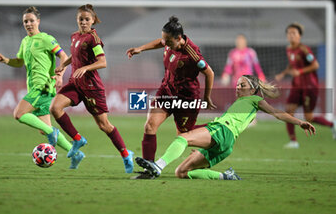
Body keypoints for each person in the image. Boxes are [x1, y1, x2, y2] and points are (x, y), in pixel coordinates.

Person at [135, 75, 316, 180]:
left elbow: (277, 113)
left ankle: (157, 166)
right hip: (226, 145)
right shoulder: (242, 103)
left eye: (242, 85)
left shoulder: (254, 100)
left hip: (222, 132)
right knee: (181, 172)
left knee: (183, 138)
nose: (238, 87)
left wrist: (299, 121)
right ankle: (226, 176)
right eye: (237, 84)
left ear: (253, 90)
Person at [126, 16, 216, 178]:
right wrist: (141, 48)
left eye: (167, 41)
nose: (164, 43)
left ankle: (216, 130)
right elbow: (159, 42)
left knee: (184, 135)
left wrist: (207, 97)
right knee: (150, 126)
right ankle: (149, 170)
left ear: (179, 38)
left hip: (186, 98)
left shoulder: (192, 54)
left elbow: (209, 72)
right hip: (166, 91)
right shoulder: (169, 42)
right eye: (164, 39)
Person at [0, 6, 83, 169]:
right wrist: (6, 60)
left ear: (38, 21)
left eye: (31, 21)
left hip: (43, 86)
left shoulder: (46, 38)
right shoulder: (25, 41)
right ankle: (76, 153)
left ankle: (53, 133)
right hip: (35, 88)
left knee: (19, 114)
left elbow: (63, 56)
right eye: (25, 21)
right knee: (44, 129)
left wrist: (59, 75)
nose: (28, 24)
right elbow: (19, 62)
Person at [50, 4, 134, 173]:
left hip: (91, 87)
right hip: (75, 83)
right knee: (55, 108)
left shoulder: (93, 38)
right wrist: (63, 66)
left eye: (87, 19)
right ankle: (77, 139)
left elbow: (103, 62)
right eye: (81, 19)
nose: (83, 22)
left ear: (93, 20)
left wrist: (86, 68)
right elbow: (75, 55)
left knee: (104, 125)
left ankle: (126, 154)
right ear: (77, 20)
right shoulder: (75, 36)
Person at [275, 22, 335, 149]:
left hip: (309, 86)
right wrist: (283, 73)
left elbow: (315, 65)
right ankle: (293, 141)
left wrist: (300, 71)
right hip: (296, 86)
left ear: (299, 36)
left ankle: (332, 124)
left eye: (294, 33)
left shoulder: (304, 49)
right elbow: (292, 64)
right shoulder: (289, 49)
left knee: (309, 117)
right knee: (288, 112)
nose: (291, 35)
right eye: (289, 33)